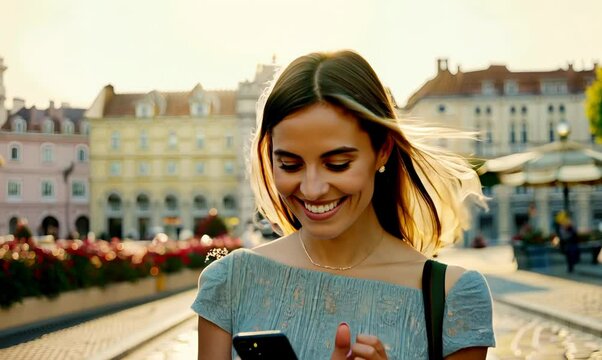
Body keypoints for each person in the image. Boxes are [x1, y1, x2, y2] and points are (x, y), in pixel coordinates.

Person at [192, 50, 495, 359]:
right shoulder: (228, 282)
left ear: (383, 151)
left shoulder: (453, 296)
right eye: (289, 165)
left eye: (337, 164)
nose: (312, 189)